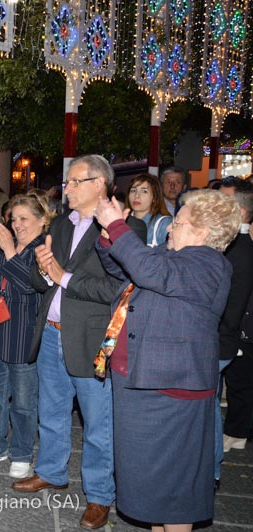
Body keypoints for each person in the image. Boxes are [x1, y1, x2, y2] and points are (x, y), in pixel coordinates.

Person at [12, 154, 146, 530]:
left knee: (98, 424)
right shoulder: (61, 225)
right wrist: (42, 269)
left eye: (74, 182)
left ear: (98, 185)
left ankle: (100, 496)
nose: (65, 188)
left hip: (90, 341)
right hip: (52, 331)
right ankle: (52, 471)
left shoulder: (124, 229)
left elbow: (117, 288)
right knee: (51, 413)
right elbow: (44, 282)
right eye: (67, 182)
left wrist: (62, 275)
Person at [94, 190, 240, 531]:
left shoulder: (209, 263)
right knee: (149, 487)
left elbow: (147, 270)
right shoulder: (172, 256)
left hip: (170, 392)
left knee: (173, 493)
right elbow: (129, 268)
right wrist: (107, 238)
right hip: (144, 386)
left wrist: (117, 225)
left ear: (202, 232)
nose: (171, 228)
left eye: (178, 222)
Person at [0, 194, 51, 480]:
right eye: (14, 219)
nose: (17, 225)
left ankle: (22, 454)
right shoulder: (6, 246)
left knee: (25, 401)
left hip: (23, 336)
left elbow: (31, 287)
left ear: (42, 220)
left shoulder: (44, 249)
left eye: (24, 219)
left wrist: (8, 252)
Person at [218, 181, 253, 465]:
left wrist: (231, 335)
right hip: (234, 330)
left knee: (241, 383)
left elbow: (237, 298)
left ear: (240, 211)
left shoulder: (240, 248)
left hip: (238, 330)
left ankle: (236, 431)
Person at [125, 173, 172, 246]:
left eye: (144, 191)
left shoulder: (164, 224)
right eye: (133, 190)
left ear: (154, 197)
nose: (137, 196)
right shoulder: (122, 221)